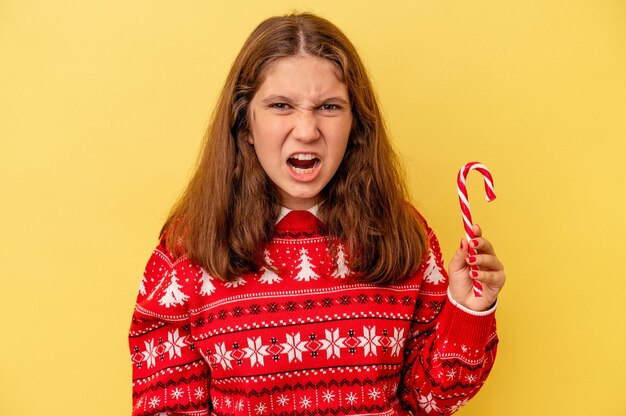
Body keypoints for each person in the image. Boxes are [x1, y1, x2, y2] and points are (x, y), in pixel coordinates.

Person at [129, 12, 505, 416]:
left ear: (355, 124)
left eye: (328, 106)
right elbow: (163, 406)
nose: (307, 130)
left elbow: (430, 399)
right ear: (246, 124)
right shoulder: (187, 250)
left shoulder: (404, 236)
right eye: (280, 106)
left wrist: (468, 310)